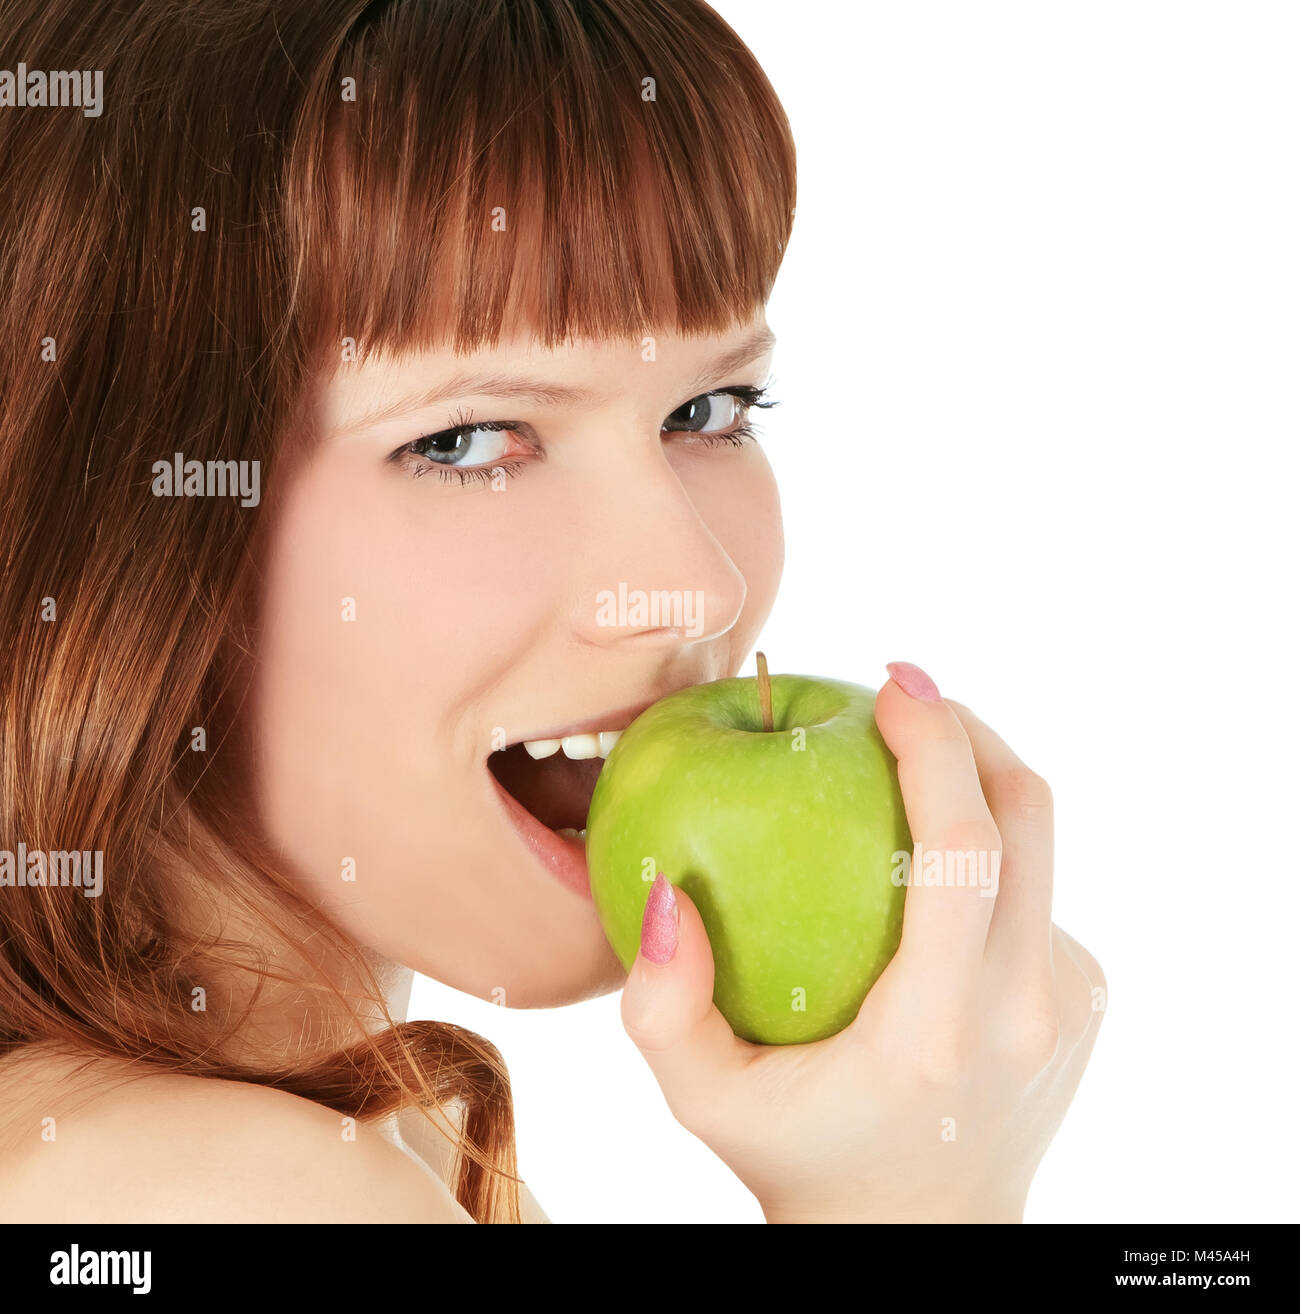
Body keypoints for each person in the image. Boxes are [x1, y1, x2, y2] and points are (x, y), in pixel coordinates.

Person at [0, 0, 1103, 1223]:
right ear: (115, 520)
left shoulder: (278, 1146)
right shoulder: (231, 1192)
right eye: (466, 439)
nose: (694, 586)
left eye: (711, 411)